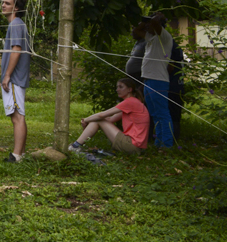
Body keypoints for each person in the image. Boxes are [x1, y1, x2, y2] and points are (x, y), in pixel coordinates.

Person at [68, 78, 150, 156]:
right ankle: (77, 145)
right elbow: (111, 119)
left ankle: (75, 146)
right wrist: (90, 120)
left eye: (121, 87)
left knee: (99, 120)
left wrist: (85, 120)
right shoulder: (134, 102)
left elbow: (102, 115)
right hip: (136, 148)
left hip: (131, 145)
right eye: (117, 87)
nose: (117, 90)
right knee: (98, 120)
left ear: (129, 89)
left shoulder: (130, 102)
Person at [0, 0, 30, 163]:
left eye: (7, 3)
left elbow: (16, 49)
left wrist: (7, 75)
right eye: (3, 2)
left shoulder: (16, 24)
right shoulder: (16, 25)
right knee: (17, 115)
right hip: (16, 78)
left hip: (15, 79)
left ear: (16, 7)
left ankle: (17, 155)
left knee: (17, 116)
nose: (3, 5)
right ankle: (21, 153)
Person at [139, 12, 175, 148]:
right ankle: (159, 142)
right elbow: (136, 30)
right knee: (154, 114)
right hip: (149, 80)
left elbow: (154, 24)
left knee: (162, 113)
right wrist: (145, 21)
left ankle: (167, 144)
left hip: (158, 80)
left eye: (149, 24)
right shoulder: (151, 38)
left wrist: (157, 18)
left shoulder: (164, 36)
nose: (147, 26)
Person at [168, 43, 186, 140]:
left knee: (173, 115)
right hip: (178, 86)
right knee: (175, 115)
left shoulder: (171, 47)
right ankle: (174, 138)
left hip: (173, 87)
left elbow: (170, 67)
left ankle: (173, 138)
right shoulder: (177, 47)